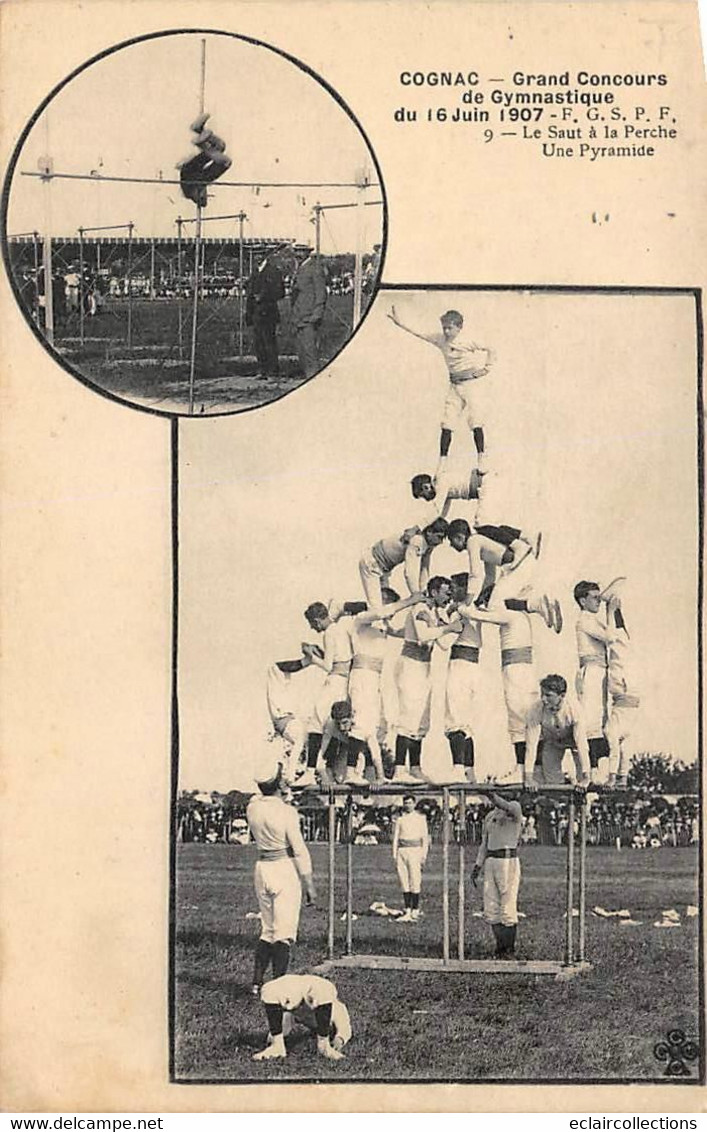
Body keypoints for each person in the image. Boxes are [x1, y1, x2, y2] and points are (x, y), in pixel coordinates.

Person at [453, 575, 560, 780]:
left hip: (516, 672)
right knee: (523, 721)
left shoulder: (509, 615)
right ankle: (532, 769)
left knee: (519, 722)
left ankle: (524, 769)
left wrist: (463, 608)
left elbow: (478, 615)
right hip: (520, 670)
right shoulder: (519, 616)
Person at [388, 305, 494, 481]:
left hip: (472, 385)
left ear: (459, 327)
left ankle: (482, 457)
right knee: (447, 423)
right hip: (455, 386)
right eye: (444, 327)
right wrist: (400, 322)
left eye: (449, 328)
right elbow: (419, 332)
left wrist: (486, 369)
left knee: (475, 421)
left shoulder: (468, 340)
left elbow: (491, 348)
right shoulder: (440, 339)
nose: (445, 331)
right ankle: (442, 461)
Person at [246, 754, 316, 995]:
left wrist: (281, 790)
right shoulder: (287, 812)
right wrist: (308, 883)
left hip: (262, 867)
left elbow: (261, 799)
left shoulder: (252, 808)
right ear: (279, 784)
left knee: (268, 929)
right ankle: (279, 986)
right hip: (283, 868)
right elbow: (299, 850)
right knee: (284, 933)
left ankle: (257, 982)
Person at [347, 589, 422, 784]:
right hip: (362, 675)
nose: (391, 614)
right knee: (361, 723)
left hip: (375, 678)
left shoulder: (381, 625)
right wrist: (410, 600)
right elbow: (381, 612)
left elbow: (404, 632)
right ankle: (350, 772)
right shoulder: (362, 618)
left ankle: (370, 773)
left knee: (378, 726)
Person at [393, 576, 462, 783]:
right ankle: (399, 770)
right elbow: (423, 635)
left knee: (421, 719)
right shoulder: (420, 608)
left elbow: (442, 644)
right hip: (411, 665)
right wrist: (449, 628)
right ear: (433, 592)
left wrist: (452, 624)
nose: (448, 597)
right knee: (408, 717)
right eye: (445, 593)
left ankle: (414, 768)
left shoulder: (434, 612)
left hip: (424, 667)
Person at [573, 579, 628, 783]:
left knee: (603, 720)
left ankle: (601, 768)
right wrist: (610, 609)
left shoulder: (592, 619)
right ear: (582, 600)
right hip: (591, 672)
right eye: (594, 598)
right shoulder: (584, 620)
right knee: (591, 721)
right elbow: (610, 637)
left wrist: (611, 610)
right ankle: (593, 769)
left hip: (600, 672)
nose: (598, 601)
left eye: (599, 597)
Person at [297, 604, 355, 787]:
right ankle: (327, 766)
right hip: (344, 681)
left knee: (315, 723)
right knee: (330, 727)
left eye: (312, 624)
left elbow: (329, 666)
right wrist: (319, 651)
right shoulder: (340, 629)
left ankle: (311, 769)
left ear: (316, 620)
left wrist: (311, 656)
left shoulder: (329, 632)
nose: (313, 628)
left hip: (335, 681)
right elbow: (339, 658)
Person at [252, 973, 351, 1062]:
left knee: (322, 995)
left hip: (315, 1009)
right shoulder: (298, 997)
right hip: (300, 1004)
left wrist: (340, 1038)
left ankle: (323, 1044)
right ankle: (277, 1046)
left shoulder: (337, 1008)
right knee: (272, 991)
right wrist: (276, 1038)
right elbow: (287, 1017)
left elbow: (344, 1026)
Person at [472, 790, 523, 958]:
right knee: (491, 908)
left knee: (507, 906)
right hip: (491, 861)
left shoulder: (514, 808)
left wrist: (490, 794)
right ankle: (500, 947)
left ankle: (509, 948)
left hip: (507, 860)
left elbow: (505, 805)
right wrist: (477, 866)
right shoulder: (490, 816)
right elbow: (484, 844)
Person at [447, 518, 542, 607]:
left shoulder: (472, 541)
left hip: (519, 564)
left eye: (452, 540)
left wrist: (467, 601)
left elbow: (475, 574)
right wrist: (480, 597)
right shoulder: (480, 541)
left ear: (459, 537)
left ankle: (538, 606)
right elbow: (490, 575)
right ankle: (534, 605)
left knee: (495, 604)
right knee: (499, 602)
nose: (451, 545)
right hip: (522, 564)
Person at [358, 518, 449, 608]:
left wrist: (424, 591)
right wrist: (416, 594)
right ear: (429, 532)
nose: (440, 542)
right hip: (372, 563)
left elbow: (424, 568)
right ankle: (347, 608)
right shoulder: (417, 540)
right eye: (439, 537)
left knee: (385, 605)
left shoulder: (428, 544)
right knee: (377, 610)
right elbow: (409, 572)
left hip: (384, 569)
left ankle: (352, 608)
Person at [524, 674, 591, 787]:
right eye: (542, 694)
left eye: (548, 695)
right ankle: (558, 803)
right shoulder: (535, 710)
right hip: (553, 741)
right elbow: (531, 745)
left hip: (574, 741)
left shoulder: (574, 708)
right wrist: (528, 778)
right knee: (552, 781)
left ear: (562, 695)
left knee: (583, 781)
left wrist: (586, 777)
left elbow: (581, 744)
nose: (543, 699)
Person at [246, 246, 287, 378]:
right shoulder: (255, 272)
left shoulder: (273, 271)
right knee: (258, 342)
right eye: (254, 254)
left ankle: (273, 370)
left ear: (264, 255)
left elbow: (280, 292)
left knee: (269, 341)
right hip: (255, 312)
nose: (256, 257)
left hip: (268, 312)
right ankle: (262, 369)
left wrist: (264, 296)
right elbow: (250, 292)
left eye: (259, 254)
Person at [177, 112, 232, 208]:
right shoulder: (196, 184)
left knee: (226, 161)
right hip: (190, 168)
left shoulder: (200, 184)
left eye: (204, 195)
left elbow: (202, 202)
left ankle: (201, 143)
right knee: (220, 147)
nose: (206, 193)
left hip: (192, 172)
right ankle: (199, 130)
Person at [289, 250, 327, 378]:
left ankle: (313, 376)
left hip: (309, 314)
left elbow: (321, 292)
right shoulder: (299, 268)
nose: (297, 255)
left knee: (310, 349)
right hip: (299, 314)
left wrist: (317, 312)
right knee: (302, 350)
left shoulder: (314, 268)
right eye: (295, 252)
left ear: (307, 253)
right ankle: (307, 374)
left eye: (301, 252)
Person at [392, 795, 430, 922]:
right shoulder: (400, 819)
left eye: (410, 803)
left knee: (415, 879)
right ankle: (407, 907)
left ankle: (415, 908)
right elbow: (396, 838)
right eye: (406, 803)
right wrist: (394, 854)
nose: (408, 805)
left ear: (414, 804)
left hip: (415, 850)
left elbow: (425, 838)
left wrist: (424, 855)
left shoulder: (420, 818)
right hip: (402, 851)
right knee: (404, 880)